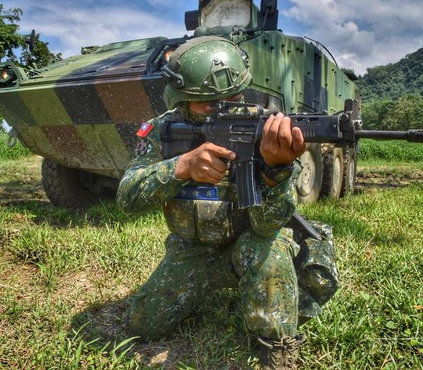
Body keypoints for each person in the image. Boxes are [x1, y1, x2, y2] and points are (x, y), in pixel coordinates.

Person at [117, 36, 338, 369]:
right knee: (140, 324)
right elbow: (127, 197)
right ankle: (215, 287)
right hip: (192, 250)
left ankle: (277, 346)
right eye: (209, 103)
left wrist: (275, 170)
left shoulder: (265, 127)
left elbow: (267, 225)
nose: (225, 107)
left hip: (251, 246)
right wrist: (182, 167)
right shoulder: (161, 130)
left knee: (270, 248)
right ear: (182, 99)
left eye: (233, 97)